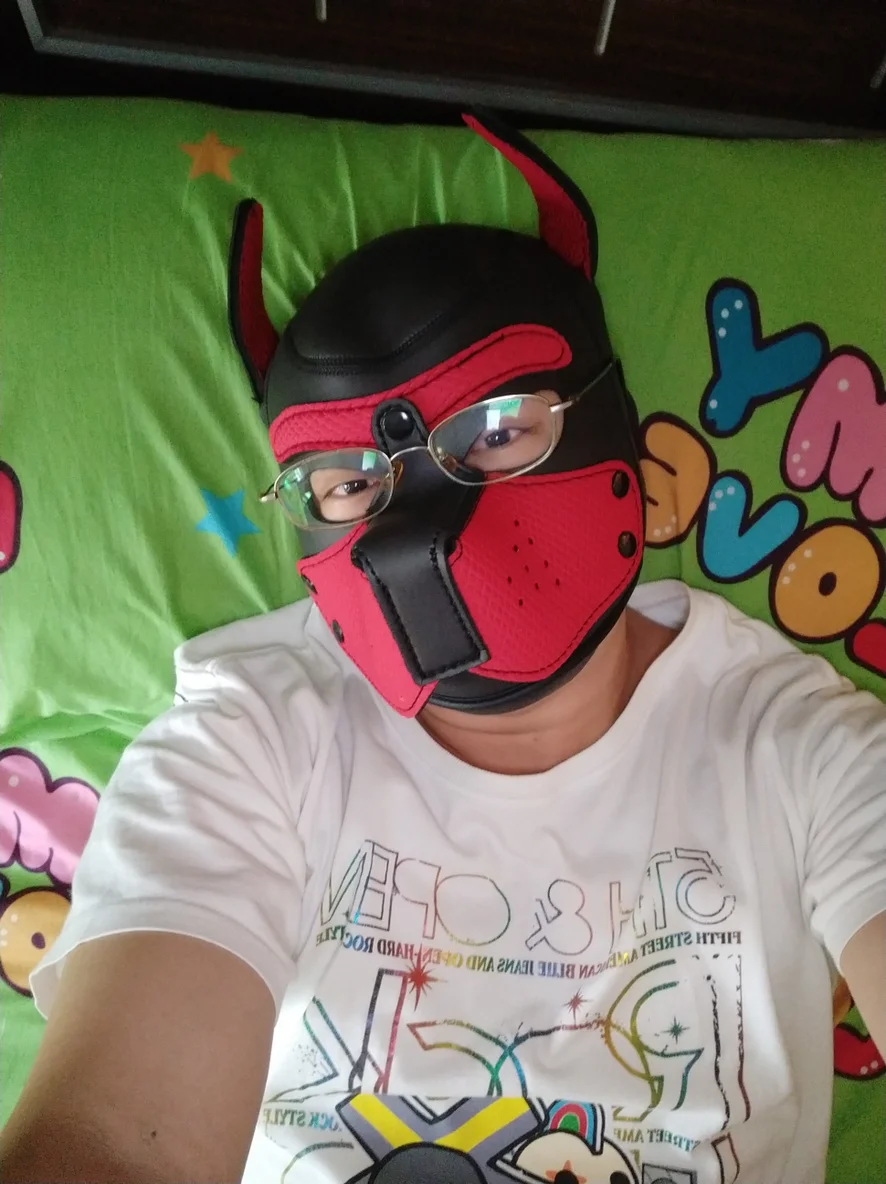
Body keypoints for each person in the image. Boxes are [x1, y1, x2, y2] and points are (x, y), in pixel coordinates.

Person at [1, 111, 884, 1184]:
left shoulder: (796, 745)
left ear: (611, 425)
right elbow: (115, 1130)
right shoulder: (249, 740)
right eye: (345, 482)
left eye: (498, 430)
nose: (417, 524)